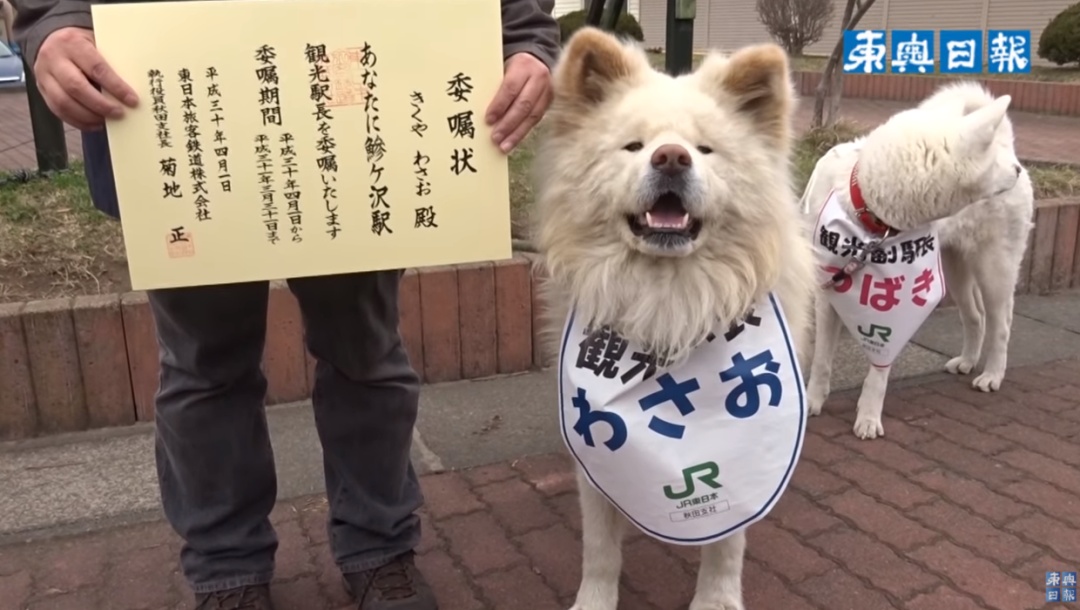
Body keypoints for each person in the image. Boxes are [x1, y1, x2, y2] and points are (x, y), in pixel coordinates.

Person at [11, 0, 560, 608]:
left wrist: (521, 31)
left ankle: (380, 548)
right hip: (174, 77)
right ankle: (228, 570)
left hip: (356, 73)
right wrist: (53, 20)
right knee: (204, 366)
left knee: (366, 351)